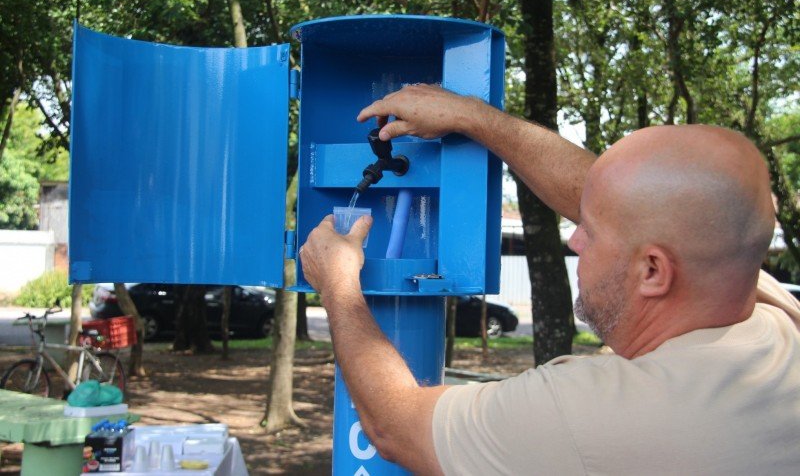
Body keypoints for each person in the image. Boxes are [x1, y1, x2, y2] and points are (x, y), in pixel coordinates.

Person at [299, 85, 800, 474]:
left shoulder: (591, 417)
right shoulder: (769, 310)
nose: (575, 240)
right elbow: (638, 204)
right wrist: (472, 116)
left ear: (652, 271)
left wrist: (339, 285)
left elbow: (394, 427)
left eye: (591, 232)